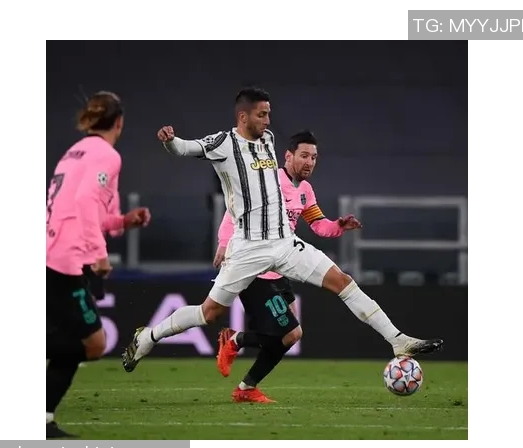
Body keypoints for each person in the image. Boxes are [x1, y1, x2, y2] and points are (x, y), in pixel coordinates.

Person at [121, 87, 443, 382]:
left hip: (284, 244)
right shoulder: (223, 144)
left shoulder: (268, 140)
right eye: (262, 114)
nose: (267, 120)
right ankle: (148, 337)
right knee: (210, 313)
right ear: (243, 116)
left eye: (269, 114)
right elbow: (185, 149)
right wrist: (170, 141)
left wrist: (337, 225)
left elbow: (315, 221)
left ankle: (397, 340)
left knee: (342, 281)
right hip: (248, 248)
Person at [212, 130, 362, 402]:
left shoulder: (305, 190)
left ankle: (244, 377)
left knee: (291, 335)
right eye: (304, 155)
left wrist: (338, 225)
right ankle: (239, 361)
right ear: (288, 156)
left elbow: (318, 225)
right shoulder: (268, 181)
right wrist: (224, 243)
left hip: (280, 266)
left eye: (314, 157)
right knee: (289, 332)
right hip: (256, 267)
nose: (309, 162)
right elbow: (234, 212)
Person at [46, 91, 150, 438]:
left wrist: (123, 221)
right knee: (93, 344)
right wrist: (99, 253)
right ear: (119, 122)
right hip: (65, 259)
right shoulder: (107, 155)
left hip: (52, 250)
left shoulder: (74, 152)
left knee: (73, 341)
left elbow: (86, 211)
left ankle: (43, 419)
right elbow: (85, 201)